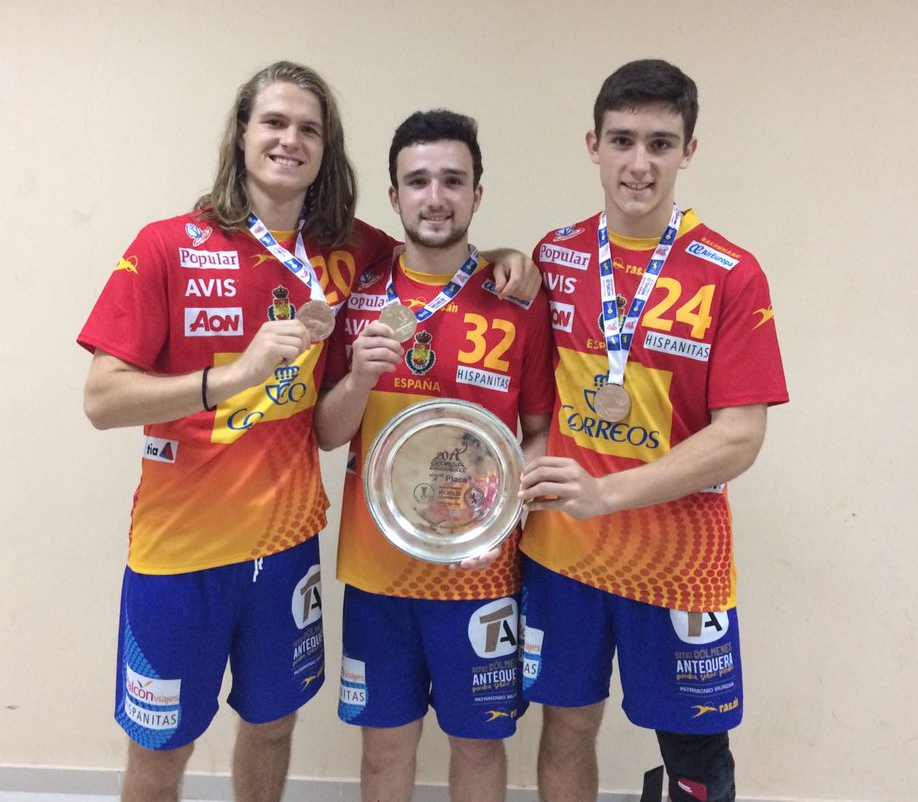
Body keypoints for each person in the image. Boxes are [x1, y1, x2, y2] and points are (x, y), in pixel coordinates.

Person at [78, 64, 536, 802]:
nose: (290, 140)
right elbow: (101, 400)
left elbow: (437, 248)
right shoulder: (167, 245)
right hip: (179, 553)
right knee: (162, 748)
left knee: (272, 729)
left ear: (326, 149)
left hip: (286, 549)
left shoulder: (348, 250)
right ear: (241, 133)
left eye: (309, 129)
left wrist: (505, 259)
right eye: (274, 122)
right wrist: (231, 377)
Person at [518, 60, 789, 802]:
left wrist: (606, 494)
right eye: (623, 141)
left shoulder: (731, 273)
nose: (639, 164)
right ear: (593, 145)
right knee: (565, 728)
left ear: (688, 151)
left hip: (677, 563)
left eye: (661, 144)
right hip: (563, 555)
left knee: (696, 758)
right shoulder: (554, 255)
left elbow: (740, 436)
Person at [314, 109, 554, 802]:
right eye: (418, 181)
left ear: (478, 193)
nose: (436, 197)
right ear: (394, 196)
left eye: (453, 180)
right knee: (383, 753)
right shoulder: (359, 293)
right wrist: (359, 379)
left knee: (478, 746)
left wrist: (504, 508)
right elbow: (327, 433)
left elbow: (538, 432)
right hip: (377, 572)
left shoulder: (517, 298)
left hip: (480, 575)